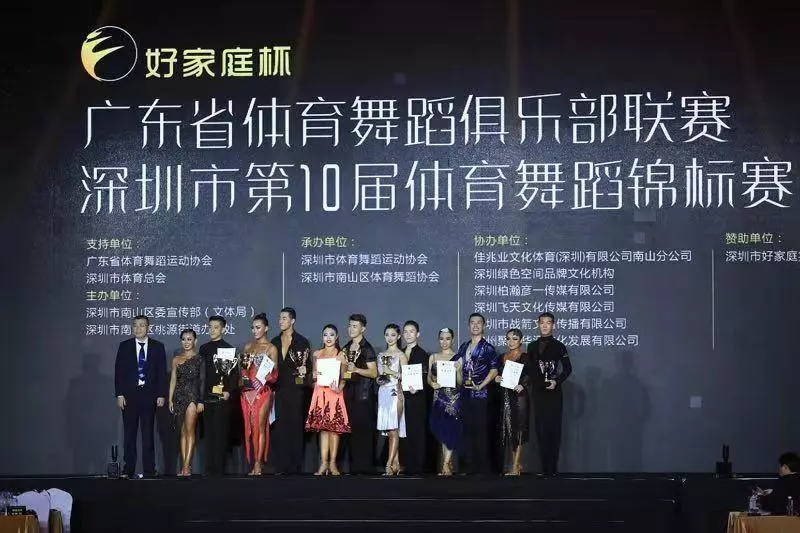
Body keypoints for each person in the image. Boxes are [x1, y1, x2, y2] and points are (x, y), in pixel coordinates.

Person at [114, 315, 168, 478]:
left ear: (148, 328)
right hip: (129, 396)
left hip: (149, 395)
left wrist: (161, 394)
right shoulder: (125, 346)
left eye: (142, 325)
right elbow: (119, 372)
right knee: (129, 434)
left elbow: (161, 372)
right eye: (135, 325)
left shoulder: (158, 347)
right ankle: (128, 468)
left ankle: (149, 470)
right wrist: (119, 394)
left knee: (148, 434)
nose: (138, 328)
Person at [527, 312, 572, 476]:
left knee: (554, 430)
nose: (545, 326)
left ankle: (553, 468)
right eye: (542, 322)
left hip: (554, 394)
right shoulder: (531, 346)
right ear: (538, 324)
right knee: (540, 430)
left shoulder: (559, 346)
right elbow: (530, 369)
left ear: (553, 325)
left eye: (548, 322)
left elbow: (568, 369)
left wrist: (556, 382)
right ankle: (544, 468)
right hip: (538, 393)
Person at [455, 313, 499, 474]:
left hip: (481, 395)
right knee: (465, 430)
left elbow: (494, 370)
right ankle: (467, 466)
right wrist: (456, 372)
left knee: (480, 430)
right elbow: (458, 367)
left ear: (484, 326)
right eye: (472, 322)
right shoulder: (464, 346)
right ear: (468, 326)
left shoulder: (488, 348)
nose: (475, 325)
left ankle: (481, 467)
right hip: (464, 394)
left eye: (479, 323)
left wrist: (481, 385)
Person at [270, 307, 312, 474]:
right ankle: (281, 465)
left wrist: (305, 372)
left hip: (296, 390)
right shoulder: (274, 341)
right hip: (278, 390)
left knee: (295, 427)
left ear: (292, 320)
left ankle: (295, 467)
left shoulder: (302, 341)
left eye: (284, 318)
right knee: (280, 428)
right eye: (280, 318)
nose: (280, 321)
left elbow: (308, 368)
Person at [306, 325, 350, 475]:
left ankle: (332, 464)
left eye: (331, 335)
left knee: (334, 430)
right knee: (323, 430)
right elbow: (314, 377)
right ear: (322, 337)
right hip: (320, 393)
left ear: (336, 337)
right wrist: (313, 376)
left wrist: (339, 388)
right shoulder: (317, 354)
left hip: (334, 394)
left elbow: (344, 378)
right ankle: (323, 463)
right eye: (325, 335)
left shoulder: (340, 355)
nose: (328, 338)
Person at [198, 315, 238, 477]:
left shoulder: (228, 349)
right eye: (210, 327)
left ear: (223, 329)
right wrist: (200, 398)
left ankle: (219, 470)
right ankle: (208, 470)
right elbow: (200, 375)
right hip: (207, 398)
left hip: (222, 398)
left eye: (216, 327)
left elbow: (234, 376)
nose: (212, 330)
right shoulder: (203, 348)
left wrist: (228, 390)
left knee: (221, 434)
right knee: (208, 435)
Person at [240, 313, 279, 476]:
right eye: (253, 328)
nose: (255, 330)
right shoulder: (248, 347)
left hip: (263, 392)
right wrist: (244, 378)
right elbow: (243, 370)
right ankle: (254, 462)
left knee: (260, 426)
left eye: (258, 327)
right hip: (248, 393)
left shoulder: (271, 348)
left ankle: (258, 463)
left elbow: (275, 374)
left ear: (266, 328)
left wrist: (265, 378)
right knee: (250, 427)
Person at [341, 313, 378, 474]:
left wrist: (356, 369)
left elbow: (374, 373)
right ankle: (353, 467)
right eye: (350, 325)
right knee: (351, 432)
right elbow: (343, 371)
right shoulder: (346, 347)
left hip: (364, 396)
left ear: (363, 329)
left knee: (363, 432)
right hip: (348, 395)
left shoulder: (367, 348)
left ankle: (365, 468)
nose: (351, 329)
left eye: (355, 326)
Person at [168, 329, 205, 477]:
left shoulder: (200, 359)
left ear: (195, 341)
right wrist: (170, 399)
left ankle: (186, 467)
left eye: (189, 339)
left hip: (192, 398)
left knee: (190, 431)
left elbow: (202, 381)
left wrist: (200, 401)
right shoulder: (176, 359)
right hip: (178, 398)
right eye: (184, 339)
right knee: (182, 432)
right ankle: (185, 464)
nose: (186, 342)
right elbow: (173, 380)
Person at [494, 328, 530, 476]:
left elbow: (530, 375)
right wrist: (497, 378)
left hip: (520, 396)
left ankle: (515, 466)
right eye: (508, 338)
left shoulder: (525, 357)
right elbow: (496, 374)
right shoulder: (502, 357)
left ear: (520, 340)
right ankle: (517, 464)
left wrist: (523, 385)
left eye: (515, 338)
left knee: (519, 428)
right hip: (506, 396)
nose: (511, 341)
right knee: (510, 429)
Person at [428, 327, 462, 476]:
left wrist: (458, 370)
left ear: (452, 340)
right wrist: (432, 383)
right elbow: (429, 378)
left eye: (447, 339)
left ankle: (445, 464)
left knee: (450, 430)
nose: (444, 342)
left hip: (453, 399)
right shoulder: (433, 357)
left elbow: (460, 382)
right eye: (442, 339)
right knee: (442, 431)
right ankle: (447, 463)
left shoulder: (458, 357)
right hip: (438, 397)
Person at [376, 324, 407, 476]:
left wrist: (392, 372)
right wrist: (379, 379)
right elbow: (380, 375)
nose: (390, 338)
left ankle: (388, 465)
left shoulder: (401, 355)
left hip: (396, 392)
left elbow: (407, 376)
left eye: (393, 335)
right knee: (389, 431)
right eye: (387, 334)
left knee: (394, 429)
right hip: (383, 393)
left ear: (398, 336)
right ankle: (396, 464)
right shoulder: (381, 355)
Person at [400, 320, 429, 475]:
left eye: (411, 331)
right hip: (401, 396)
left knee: (416, 430)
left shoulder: (422, 354)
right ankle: (404, 464)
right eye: (405, 331)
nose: (408, 334)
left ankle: (417, 466)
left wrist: (416, 387)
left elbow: (424, 375)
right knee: (403, 431)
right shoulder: (400, 352)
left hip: (416, 398)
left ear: (418, 334)